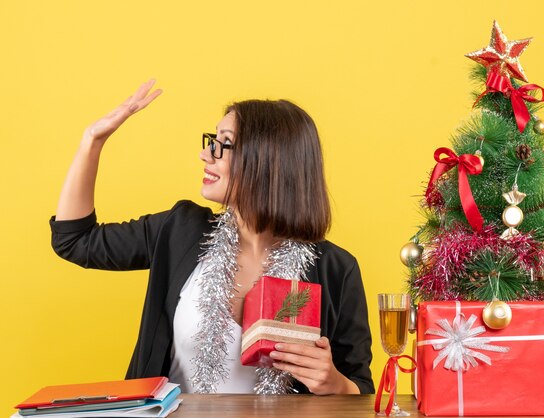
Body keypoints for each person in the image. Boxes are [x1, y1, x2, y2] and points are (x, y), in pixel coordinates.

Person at [50, 80, 374, 395]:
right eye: (211, 141)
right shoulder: (180, 230)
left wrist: (333, 382)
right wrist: (92, 140)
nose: (206, 154)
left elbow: (360, 387)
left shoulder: (336, 269)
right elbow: (76, 241)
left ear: (267, 159)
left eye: (223, 143)